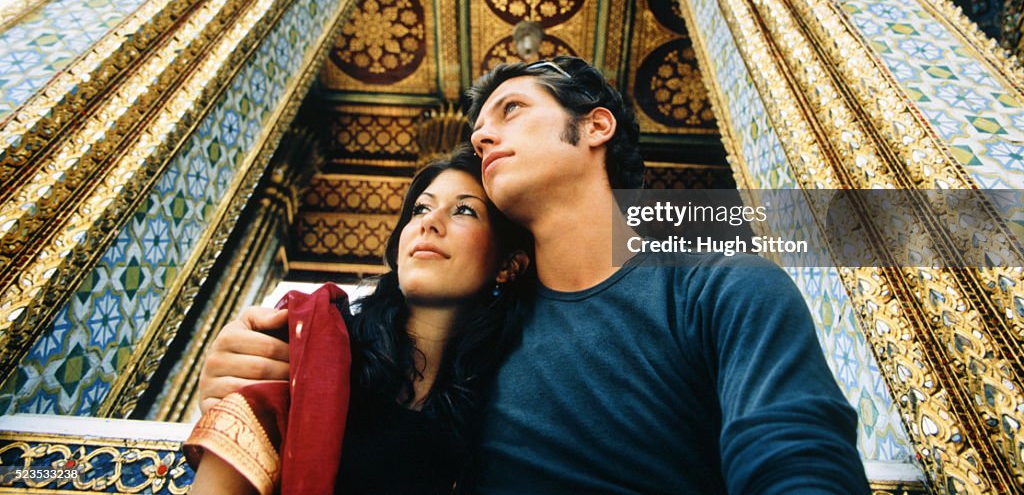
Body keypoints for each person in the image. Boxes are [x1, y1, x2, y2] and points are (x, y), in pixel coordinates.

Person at [200, 57, 871, 494]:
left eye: (511, 110)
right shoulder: (479, 330)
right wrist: (252, 371)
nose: (484, 136)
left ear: (596, 126)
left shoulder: (717, 280)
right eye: (479, 126)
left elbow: (795, 457)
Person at [187, 145, 531, 495]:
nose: (429, 221)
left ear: (508, 265)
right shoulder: (304, 347)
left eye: (464, 210)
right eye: (420, 208)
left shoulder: (513, 407)